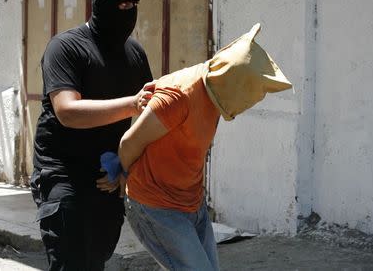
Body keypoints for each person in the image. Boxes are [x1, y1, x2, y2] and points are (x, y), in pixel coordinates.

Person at [105, 23, 292, 270]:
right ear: (234, 85)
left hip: (192, 201)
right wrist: (124, 175)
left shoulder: (215, 90)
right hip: (155, 205)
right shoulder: (179, 97)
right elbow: (130, 142)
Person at [30, 0, 153, 271]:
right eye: (120, 7)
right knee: (71, 262)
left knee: (95, 261)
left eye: (132, 6)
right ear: (98, 5)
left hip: (106, 177)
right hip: (63, 175)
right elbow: (67, 111)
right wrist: (131, 103)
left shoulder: (134, 53)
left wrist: (126, 167)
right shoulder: (66, 48)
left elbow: (149, 118)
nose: (128, 13)